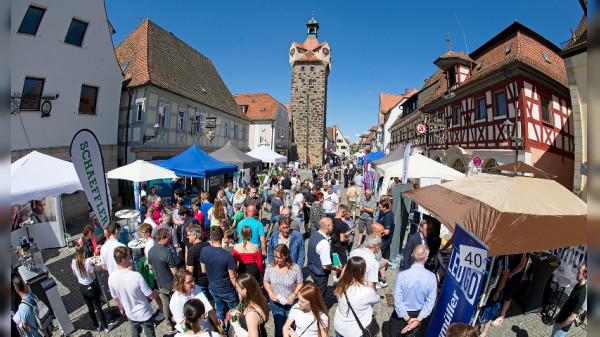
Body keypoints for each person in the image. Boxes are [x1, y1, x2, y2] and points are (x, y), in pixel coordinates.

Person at [109, 246, 159, 337]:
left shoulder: (111, 278)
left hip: (130, 313)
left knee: (135, 333)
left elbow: (116, 298)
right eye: (128, 257)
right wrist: (157, 291)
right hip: (144, 313)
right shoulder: (136, 276)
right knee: (150, 334)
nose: (130, 258)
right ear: (123, 260)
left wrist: (121, 308)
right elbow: (150, 295)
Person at [387, 245, 437, 337]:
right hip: (418, 314)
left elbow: (397, 300)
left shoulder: (402, 275)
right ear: (426, 259)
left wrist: (407, 319)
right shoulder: (432, 277)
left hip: (401, 315)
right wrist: (418, 319)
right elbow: (430, 302)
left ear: (412, 255)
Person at [200, 227, 239, 333]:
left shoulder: (204, 251)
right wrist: (238, 289)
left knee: (219, 311)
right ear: (222, 237)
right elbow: (232, 276)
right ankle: (234, 331)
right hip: (227, 289)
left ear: (211, 237)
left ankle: (222, 332)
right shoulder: (227, 255)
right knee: (234, 312)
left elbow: (203, 270)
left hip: (213, 287)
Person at [333, 256, 380, 337]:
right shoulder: (366, 292)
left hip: (339, 327)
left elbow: (342, 276)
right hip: (355, 331)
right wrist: (371, 285)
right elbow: (376, 299)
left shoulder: (340, 285)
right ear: (362, 271)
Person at [264, 244, 304, 337]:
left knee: (290, 328)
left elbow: (300, 283)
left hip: (291, 303)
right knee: (279, 328)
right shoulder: (270, 267)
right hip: (276, 302)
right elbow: (266, 281)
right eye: (275, 256)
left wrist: (294, 295)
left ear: (286, 256)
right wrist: (270, 293)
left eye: (279, 257)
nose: (276, 260)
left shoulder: (295, 268)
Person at [71, 245, 113, 332]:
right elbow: (93, 277)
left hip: (82, 288)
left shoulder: (74, 262)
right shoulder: (86, 263)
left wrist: (81, 276)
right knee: (98, 308)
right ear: (83, 252)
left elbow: (74, 273)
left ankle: (97, 325)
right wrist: (92, 270)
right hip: (90, 287)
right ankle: (106, 327)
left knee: (90, 309)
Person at [147, 228, 178, 332]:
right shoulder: (167, 252)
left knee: (165, 304)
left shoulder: (151, 250)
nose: (170, 239)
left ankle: (169, 324)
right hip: (172, 284)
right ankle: (179, 322)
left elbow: (150, 266)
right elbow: (175, 272)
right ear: (162, 239)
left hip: (160, 283)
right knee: (176, 303)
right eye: (168, 237)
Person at [170, 269, 215, 333]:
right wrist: (200, 318)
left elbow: (206, 304)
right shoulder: (176, 300)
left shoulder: (196, 288)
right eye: (189, 282)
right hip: (194, 332)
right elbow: (182, 323)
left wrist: (214, 317)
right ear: (181, 284)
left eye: (192, 280)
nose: (193, 283)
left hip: (207, 327)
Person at [491, 253, 529, 327]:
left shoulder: (525, 251)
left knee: (507, 296)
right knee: (502, 292)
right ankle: (497, 310)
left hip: (514, 278)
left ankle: (501, 315)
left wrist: (511, 274)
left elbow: (522, 265)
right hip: (508, 274)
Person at [307, 217, 342, 297]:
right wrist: (334, 268)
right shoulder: (324, 243)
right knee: (319, 296)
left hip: (312, 269)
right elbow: (325, 266)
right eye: (332, 225)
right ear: (328, 226)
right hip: (320, 274)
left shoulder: (314, 235)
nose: (333, 227)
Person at [551, 262, 587, 337]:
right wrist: (558, 315)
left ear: (584, 275)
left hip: (562, 327)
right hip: (559, 320)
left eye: (579, 272)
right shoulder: (577, 285)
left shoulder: (581, 295)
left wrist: (561, 325)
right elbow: (568, 303)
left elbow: (572, 317)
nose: (577, 273)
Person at [185, 225, 213, 302]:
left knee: (204, 306)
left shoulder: (192, 250)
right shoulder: (208, 245)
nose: (187, 237)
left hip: (200, 282)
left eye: (188, 235)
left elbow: (190, 270)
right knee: (212, 302)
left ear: (194, 236)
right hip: (211, 280)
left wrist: (189, 284)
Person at [331, 205, 354, 284]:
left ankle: (334, 279)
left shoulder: (331, 221)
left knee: (335, 262)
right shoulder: (342, 224)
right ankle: (341, 279)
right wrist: (348, 238)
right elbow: (342, 239)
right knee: (345, 264)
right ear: (343, 212)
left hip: (333, 245)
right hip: (341, 247)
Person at [370, 223, 390, 289]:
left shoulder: (377, 244)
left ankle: (383, 280)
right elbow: (369, 266)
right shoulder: (370, 246)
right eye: (381, 233)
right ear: (375, 233)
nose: (383, 235)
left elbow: (379, 259)